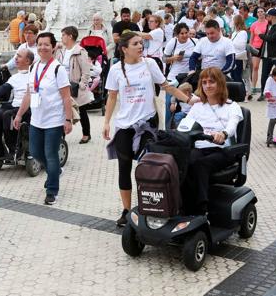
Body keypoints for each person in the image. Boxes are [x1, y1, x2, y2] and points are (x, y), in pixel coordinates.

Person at [103, 32, 190, 226]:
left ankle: (150, 205)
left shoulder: (150, 64)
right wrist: (107, 121)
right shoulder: (116, 69)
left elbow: (166, 86)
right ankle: (126, 210)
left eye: (141, 43)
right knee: (124, 168)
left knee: (148, 166)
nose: (140, 47)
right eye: (135, 44)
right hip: (125, 124)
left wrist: (190, 100)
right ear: (124, 49)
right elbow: (112, 97)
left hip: (148, 123)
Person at [14, 32, 73, 206]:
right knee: (36, 152)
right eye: (39, 44)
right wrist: (19, 114)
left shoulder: (57, 69)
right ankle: (54, 172)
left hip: (54, 120)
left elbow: (66, 97)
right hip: (36, 120)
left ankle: (52, 190)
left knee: (51, 154)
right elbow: (28, 93)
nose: (42, 47)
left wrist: (68, 120)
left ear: (53, 47)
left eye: (46, 44)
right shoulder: (33, 67)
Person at [182, 67, 243, 215]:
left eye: (211, 82)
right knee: (184, 162)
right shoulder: (197, 106)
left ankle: (202, 208)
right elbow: (185, 125)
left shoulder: (232, 106)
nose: (207, 85)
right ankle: (181, 204)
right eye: (204, 82)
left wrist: (223, 133)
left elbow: (232, 126)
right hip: (199, 148)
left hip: (222, 150)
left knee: (200, 165)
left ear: (220, 84)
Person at [0, 48, 34, 162]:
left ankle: (14, 150)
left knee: (7, 115)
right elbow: (3, 88)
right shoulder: (14, 77)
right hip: (14, 106)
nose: (16, 58)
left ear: (27, 61)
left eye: (19, 56)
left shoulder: (33, 76)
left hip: (27, 108)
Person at [55, 26, 94, 144]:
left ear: (70, 36)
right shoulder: (61, 50)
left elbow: (86, 70)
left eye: (63, 35)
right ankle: (61, 137)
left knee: (81, 110)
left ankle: (86, 134)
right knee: (62, 111)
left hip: (75, 86)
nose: (61, 37)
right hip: (62, 85)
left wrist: (82, 84)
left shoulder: (80, 51)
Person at [163, 23, 196, 128]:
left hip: (188, 78)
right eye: (182, 33)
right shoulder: (173, 42)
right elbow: (164, 59)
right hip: (174, 77)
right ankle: (167, 130)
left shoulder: (194, 42)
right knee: (170, 105)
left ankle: (184, 128)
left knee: (187, 104)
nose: (185, 35)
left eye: (186, 33)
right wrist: (174, 58)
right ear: (177, 34)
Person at [249, 8, 268, 96]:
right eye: (258, 12)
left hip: (265, 46)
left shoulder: (268, 23)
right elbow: (251, 37)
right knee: (255, 67)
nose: (260, 13)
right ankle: (253, 86)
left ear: (265, 13)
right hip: (255, 46)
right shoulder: (254, 24)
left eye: (261, 12)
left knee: (265, 68)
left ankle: (265, 87)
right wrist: (250, 46)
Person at [230, 15, 248, 85]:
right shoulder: (234, 32)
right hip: (233, 56)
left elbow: (242, 46)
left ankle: (242, 93)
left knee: (238, 77)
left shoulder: (243, 32)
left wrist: (230, 43)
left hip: (239, 57)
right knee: (233, 76)